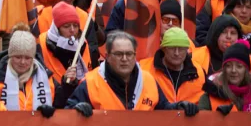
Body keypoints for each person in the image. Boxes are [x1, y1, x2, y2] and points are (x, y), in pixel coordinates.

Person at [66, 32, 198, 115]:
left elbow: (163, 110)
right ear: (107, 56)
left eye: (129, 54)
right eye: (119, 54)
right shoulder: (90, 82)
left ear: (135, 56)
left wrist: (179, 107)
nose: (124, 59)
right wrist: (77, 110)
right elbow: (68, 113)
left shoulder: (149, 80)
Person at [0, 26, 62, 111]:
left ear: (33, 58)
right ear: (10, 56)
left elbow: (61, 106)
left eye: (27, 58)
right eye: (18, 57)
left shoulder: (47, 79)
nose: (22, 62)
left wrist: (68, 86)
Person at [197, 40, 251, 113]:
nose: (233, 70)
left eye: (239, 66)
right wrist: (218, 117)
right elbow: (201, 120)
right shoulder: (209, 97)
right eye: (229, 66)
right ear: (224, 69)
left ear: (246, 70)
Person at [37, 1, 89, 103]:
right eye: (66, 26)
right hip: (51, 101)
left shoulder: (83, 43)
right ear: (57, 28)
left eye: (75, 25)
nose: (72, 30)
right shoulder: (41, 43)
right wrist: (66, 83)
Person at [139, 27, 205, 103]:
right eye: (172, 48)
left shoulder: (199, 72)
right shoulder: (144, 68)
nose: (176, 53)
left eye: (181, 49)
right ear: (163, 49)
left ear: (187, 50)